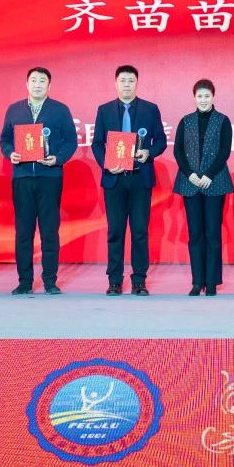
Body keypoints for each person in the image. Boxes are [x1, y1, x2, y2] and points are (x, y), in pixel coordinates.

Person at [0, 67, 78, 295]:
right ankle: (25, 281)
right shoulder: (14, 110)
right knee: (23, 232)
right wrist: (10, 153)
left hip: (49, 177)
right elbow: (5, 139)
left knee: (49, 231)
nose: (37, 84)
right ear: (27, 84)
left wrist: (58, 159)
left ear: (49, 85)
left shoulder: (60, 110)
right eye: (33, 80)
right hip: (22, 177)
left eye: (42, 81)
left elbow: (71, 141)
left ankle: (50, 281)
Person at [91, 65, 167, 296]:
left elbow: (161, 140)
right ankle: (114, 280)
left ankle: (139, 280)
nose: (127, 84)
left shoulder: (150, 109)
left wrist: (149, 153)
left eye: (131, 80)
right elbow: (97, 143)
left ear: (137, 83)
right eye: (123, 80)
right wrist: (106, 163)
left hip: (139, 178)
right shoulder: (104, 110)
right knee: (115, 231)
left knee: (140, 231)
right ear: (116, 83)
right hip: (114, 178)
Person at [172, 79, 233, 296]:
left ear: (213, 97)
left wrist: (208, 175)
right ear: (194, 98)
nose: (203, 100)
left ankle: (212, 282)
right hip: (190, 184)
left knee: (213, 233)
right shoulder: (185, 121)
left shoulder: (223, 120)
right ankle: (197, 282)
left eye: (207, 96)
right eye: (200, 96)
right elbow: (178, 151)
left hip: (215, 182)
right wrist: (190, 174)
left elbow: (225, 151)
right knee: (195, 234)